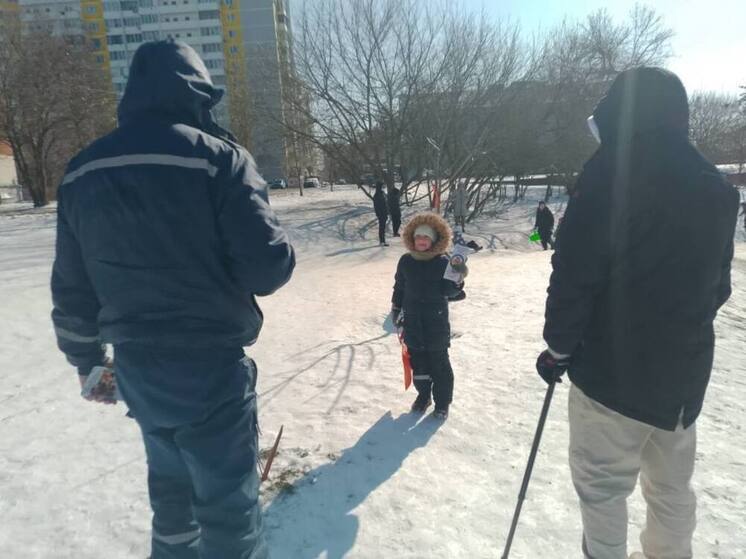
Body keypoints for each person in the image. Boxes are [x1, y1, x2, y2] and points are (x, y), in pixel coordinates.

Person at [51, 40, 295, 559]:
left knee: (171, 494)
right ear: (198, 95)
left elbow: (71, 288)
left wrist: (87, 363)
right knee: (228, 510)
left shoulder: (80, 171)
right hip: (209, 371)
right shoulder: (219, 159)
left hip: (139, 373)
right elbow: (267, 268)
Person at [536, 67, 738, 559]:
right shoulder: (715, 186)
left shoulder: (610, 172)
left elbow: (574, 271)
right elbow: (719, 287)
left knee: (603, 489)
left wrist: (559, 346)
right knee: (670, 490)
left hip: (611, 379)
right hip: (681, 384)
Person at [390, 213, 466, 420]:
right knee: (419, 364)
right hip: (412, 322)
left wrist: (457, 280)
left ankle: (442, 403)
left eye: (426, 237)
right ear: (412, 239)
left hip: (436, 322)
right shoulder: (405, 261)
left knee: (439, 364)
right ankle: (423, 396)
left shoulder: (443, 262)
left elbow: (450, 292)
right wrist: (396, 308)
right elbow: (400, 287)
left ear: (433, 240)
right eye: (418, 237)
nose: (421, 241)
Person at [373, 181, 389, 246]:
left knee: (383, 227)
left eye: (384, 186)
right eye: (382, 186)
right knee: (382, 227)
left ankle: (383, 241)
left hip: (385, 213)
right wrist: (379, 214)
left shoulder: (383, 193)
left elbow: (386, 203)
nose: (383, 187)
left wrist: (387, 211)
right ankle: (382, 241)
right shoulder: (377, 195)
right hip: (381, 214)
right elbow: (376, 206)